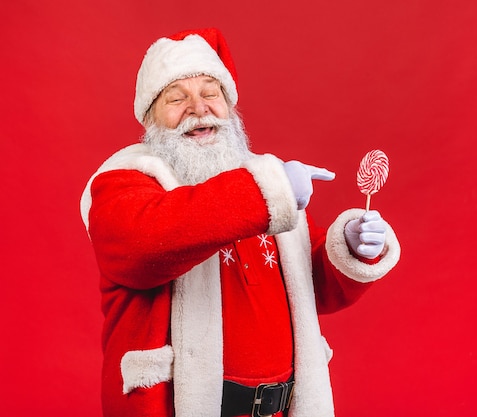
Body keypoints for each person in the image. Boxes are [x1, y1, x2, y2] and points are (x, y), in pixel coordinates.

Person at [80, 28, 401, 417]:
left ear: (229, 107)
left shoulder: (265, 182)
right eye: (177, 98)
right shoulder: (124, 182)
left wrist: (348, 251)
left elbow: (313, 287)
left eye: (210, 93)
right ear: (149, 118)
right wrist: (269, 190)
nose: (198, 108)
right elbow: (145, 243)